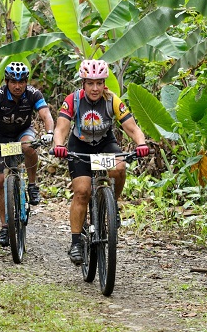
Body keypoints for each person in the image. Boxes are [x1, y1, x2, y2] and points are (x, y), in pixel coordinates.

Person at [52, 59, 150, 265]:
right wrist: (59, 145)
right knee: (82, 192)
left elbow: (132, 127)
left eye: (99, 83)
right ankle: (76, 242)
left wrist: (141, 143)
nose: (95, 88)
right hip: (80, 146)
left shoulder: (113, 100)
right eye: (90, 83)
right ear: (83, 83)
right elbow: (61, 127)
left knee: (119, 166)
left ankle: (112, 205)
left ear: (105, 83)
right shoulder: (73, 100)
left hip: (105, 144)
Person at [0, 61, 55, 247]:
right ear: (7, 82)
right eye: (13, 82)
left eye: (22, 82)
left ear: (26, 82)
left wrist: (49, 133)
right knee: (0, 181)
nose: (18, 86)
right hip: (1, 137)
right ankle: (4, 226)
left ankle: (32, 185)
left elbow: (46, 115)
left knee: (28, 146)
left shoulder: (33, 94)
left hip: (23, 132)